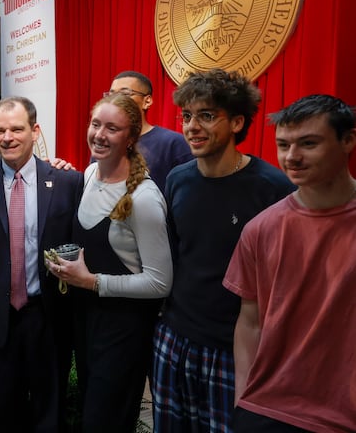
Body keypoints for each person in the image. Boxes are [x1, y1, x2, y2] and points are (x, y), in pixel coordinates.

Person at [151, 69, 295, 433]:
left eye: (207, 115)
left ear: (237, 122)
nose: (192, 127)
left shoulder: (272, 187)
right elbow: (176, 255)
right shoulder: (177, 179)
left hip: (235, 348)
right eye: (186, 116)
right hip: (175, 337)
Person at [223, 94, 356, 432]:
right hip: (266, 410)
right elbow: (249, 321)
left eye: (308, 143)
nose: (292, 157)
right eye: (283, 145)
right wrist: (243, 397)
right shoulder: (261, 228)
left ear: (348, 141)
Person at [46, 93, 173, 432]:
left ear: (131, 138)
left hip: (124, 331)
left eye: (112, 128)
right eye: (95, 124)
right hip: (86, 324)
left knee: (105, 422)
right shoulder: (88, 176)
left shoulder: (143, 199)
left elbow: (160, 282)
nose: (99, 134)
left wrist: (91, 281)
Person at [0, 96, 83, 432]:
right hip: (0, 321)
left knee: (50, 408)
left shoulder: (67, 183)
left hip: (49, 315)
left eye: (16, 129)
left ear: (35, 131)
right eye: (0, 130)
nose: (7, 137)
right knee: (5, 409)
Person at [105, 71, 193, 194]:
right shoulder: (104, 141)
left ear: (147, 101)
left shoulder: (173, 144)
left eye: (125, 93)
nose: (115, 100)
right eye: (111, 95)